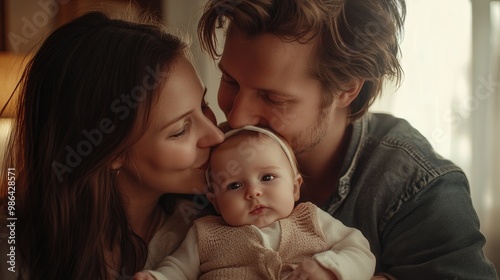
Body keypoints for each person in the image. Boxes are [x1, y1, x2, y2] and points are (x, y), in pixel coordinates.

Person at [197, 0, 499, 279]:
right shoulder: (203, 157)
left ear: (346, 88)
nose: (235, 118)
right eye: (231, 81)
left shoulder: (417, 185)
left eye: (272, 97)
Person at [0, 11, 225, 280]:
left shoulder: (221, 222)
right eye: (180, 130)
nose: (216, 135)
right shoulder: (12, 246)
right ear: (109, 151)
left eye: (204, 105)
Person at [133, 125, 375, 280]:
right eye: (234, 185)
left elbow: (359, 251)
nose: (253, 192)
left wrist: (331, 269)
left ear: (294, 187)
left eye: (267, 178)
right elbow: (178, 269)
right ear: (215, 203)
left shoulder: (311, 220)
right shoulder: (206, 234)